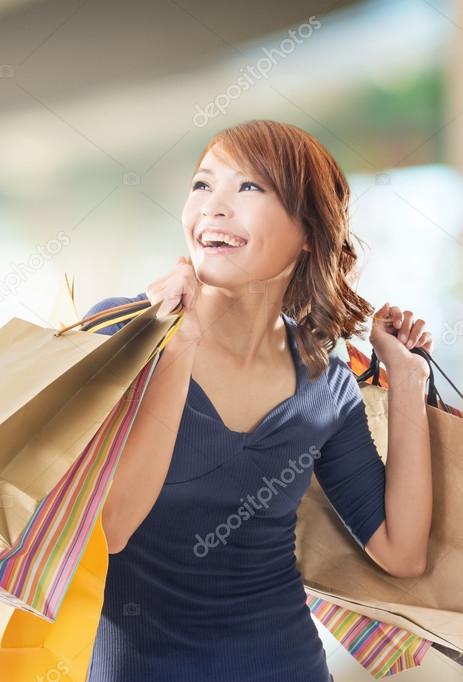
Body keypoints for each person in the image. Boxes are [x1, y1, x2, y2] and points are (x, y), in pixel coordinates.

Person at [84, 119, 434, 682]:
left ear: (309, 233)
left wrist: (406, 377)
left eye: (249, 188)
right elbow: (109, 529)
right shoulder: (121, 334)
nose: (214, 208)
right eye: (203, 185)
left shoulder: (325, 379)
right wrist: (179, 344)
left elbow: (401, 552)